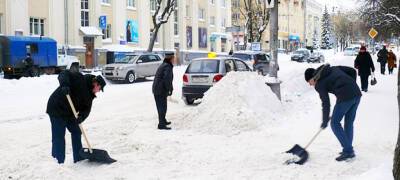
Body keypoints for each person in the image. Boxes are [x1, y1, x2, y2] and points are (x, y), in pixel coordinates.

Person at [304, 64, 362, 162]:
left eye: (309, 82)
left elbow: (326, 103)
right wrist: (351, 85)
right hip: (356, 93)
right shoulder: (332, 68)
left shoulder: (319, 83)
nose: (310, 84)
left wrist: (325, 120)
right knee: (348, 123)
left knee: (334, 123)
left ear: (312, 78)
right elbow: (352, 71)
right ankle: (348, 148)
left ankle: (348, 151)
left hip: (346, 97)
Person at [46, 70, 106, 163]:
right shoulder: (79, 78)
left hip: (69, 112)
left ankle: (78, 157)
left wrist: (81, 117)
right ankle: (58, 162)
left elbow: (86, 110)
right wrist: (64, 84)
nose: (98, 91)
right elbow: (64, 73)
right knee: (59, 136)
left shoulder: (90, 95)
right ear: (96, 84)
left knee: (77, 131)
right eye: (100, 89)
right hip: (57, 108)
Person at [152, 52, 174, 130]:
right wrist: (169, 89)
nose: (174, 59)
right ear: (170, 58)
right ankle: (161, 124)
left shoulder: (164, 65)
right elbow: (167, 79)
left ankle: (163, 120)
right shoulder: (167, 66)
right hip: (160, 89)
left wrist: (169, 88)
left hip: (158, 88)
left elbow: (167, 79)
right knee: (162, 107)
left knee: (162, 106)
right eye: (173, 58)